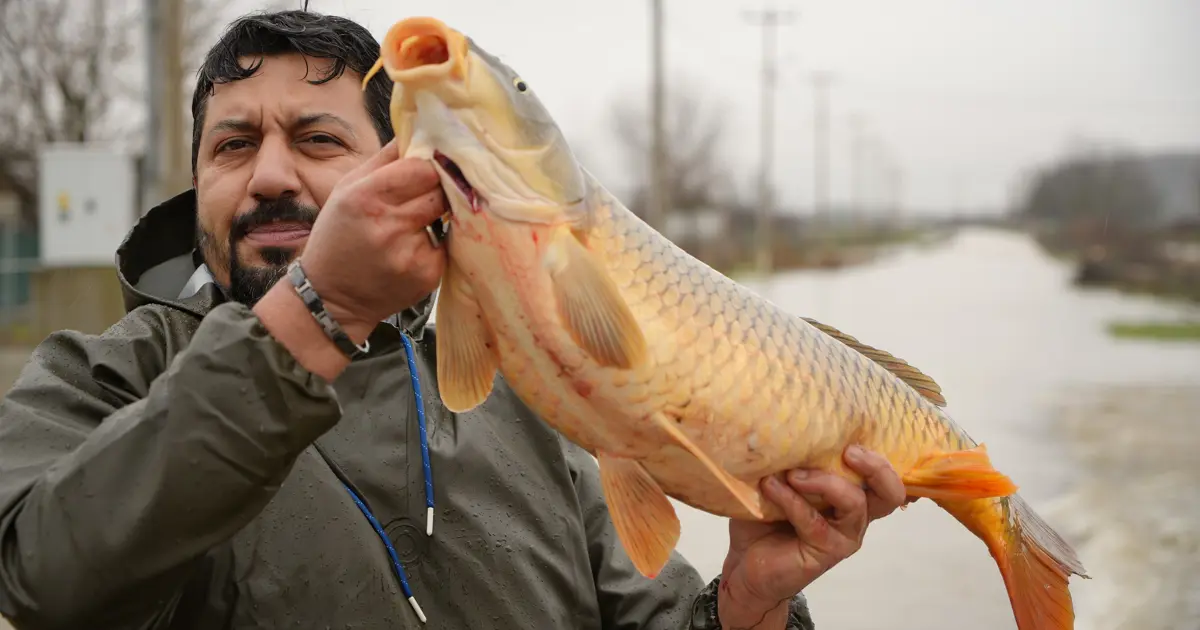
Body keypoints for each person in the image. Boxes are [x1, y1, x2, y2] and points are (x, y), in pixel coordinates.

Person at [0, 9, 906, 630]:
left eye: (318, 140)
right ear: (197, 181)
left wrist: (747, 609)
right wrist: (321, 309)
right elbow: (43, 580)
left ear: (405, 167)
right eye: (233, 144)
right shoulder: (105, 377)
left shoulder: (526, 397)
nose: (270, 175)